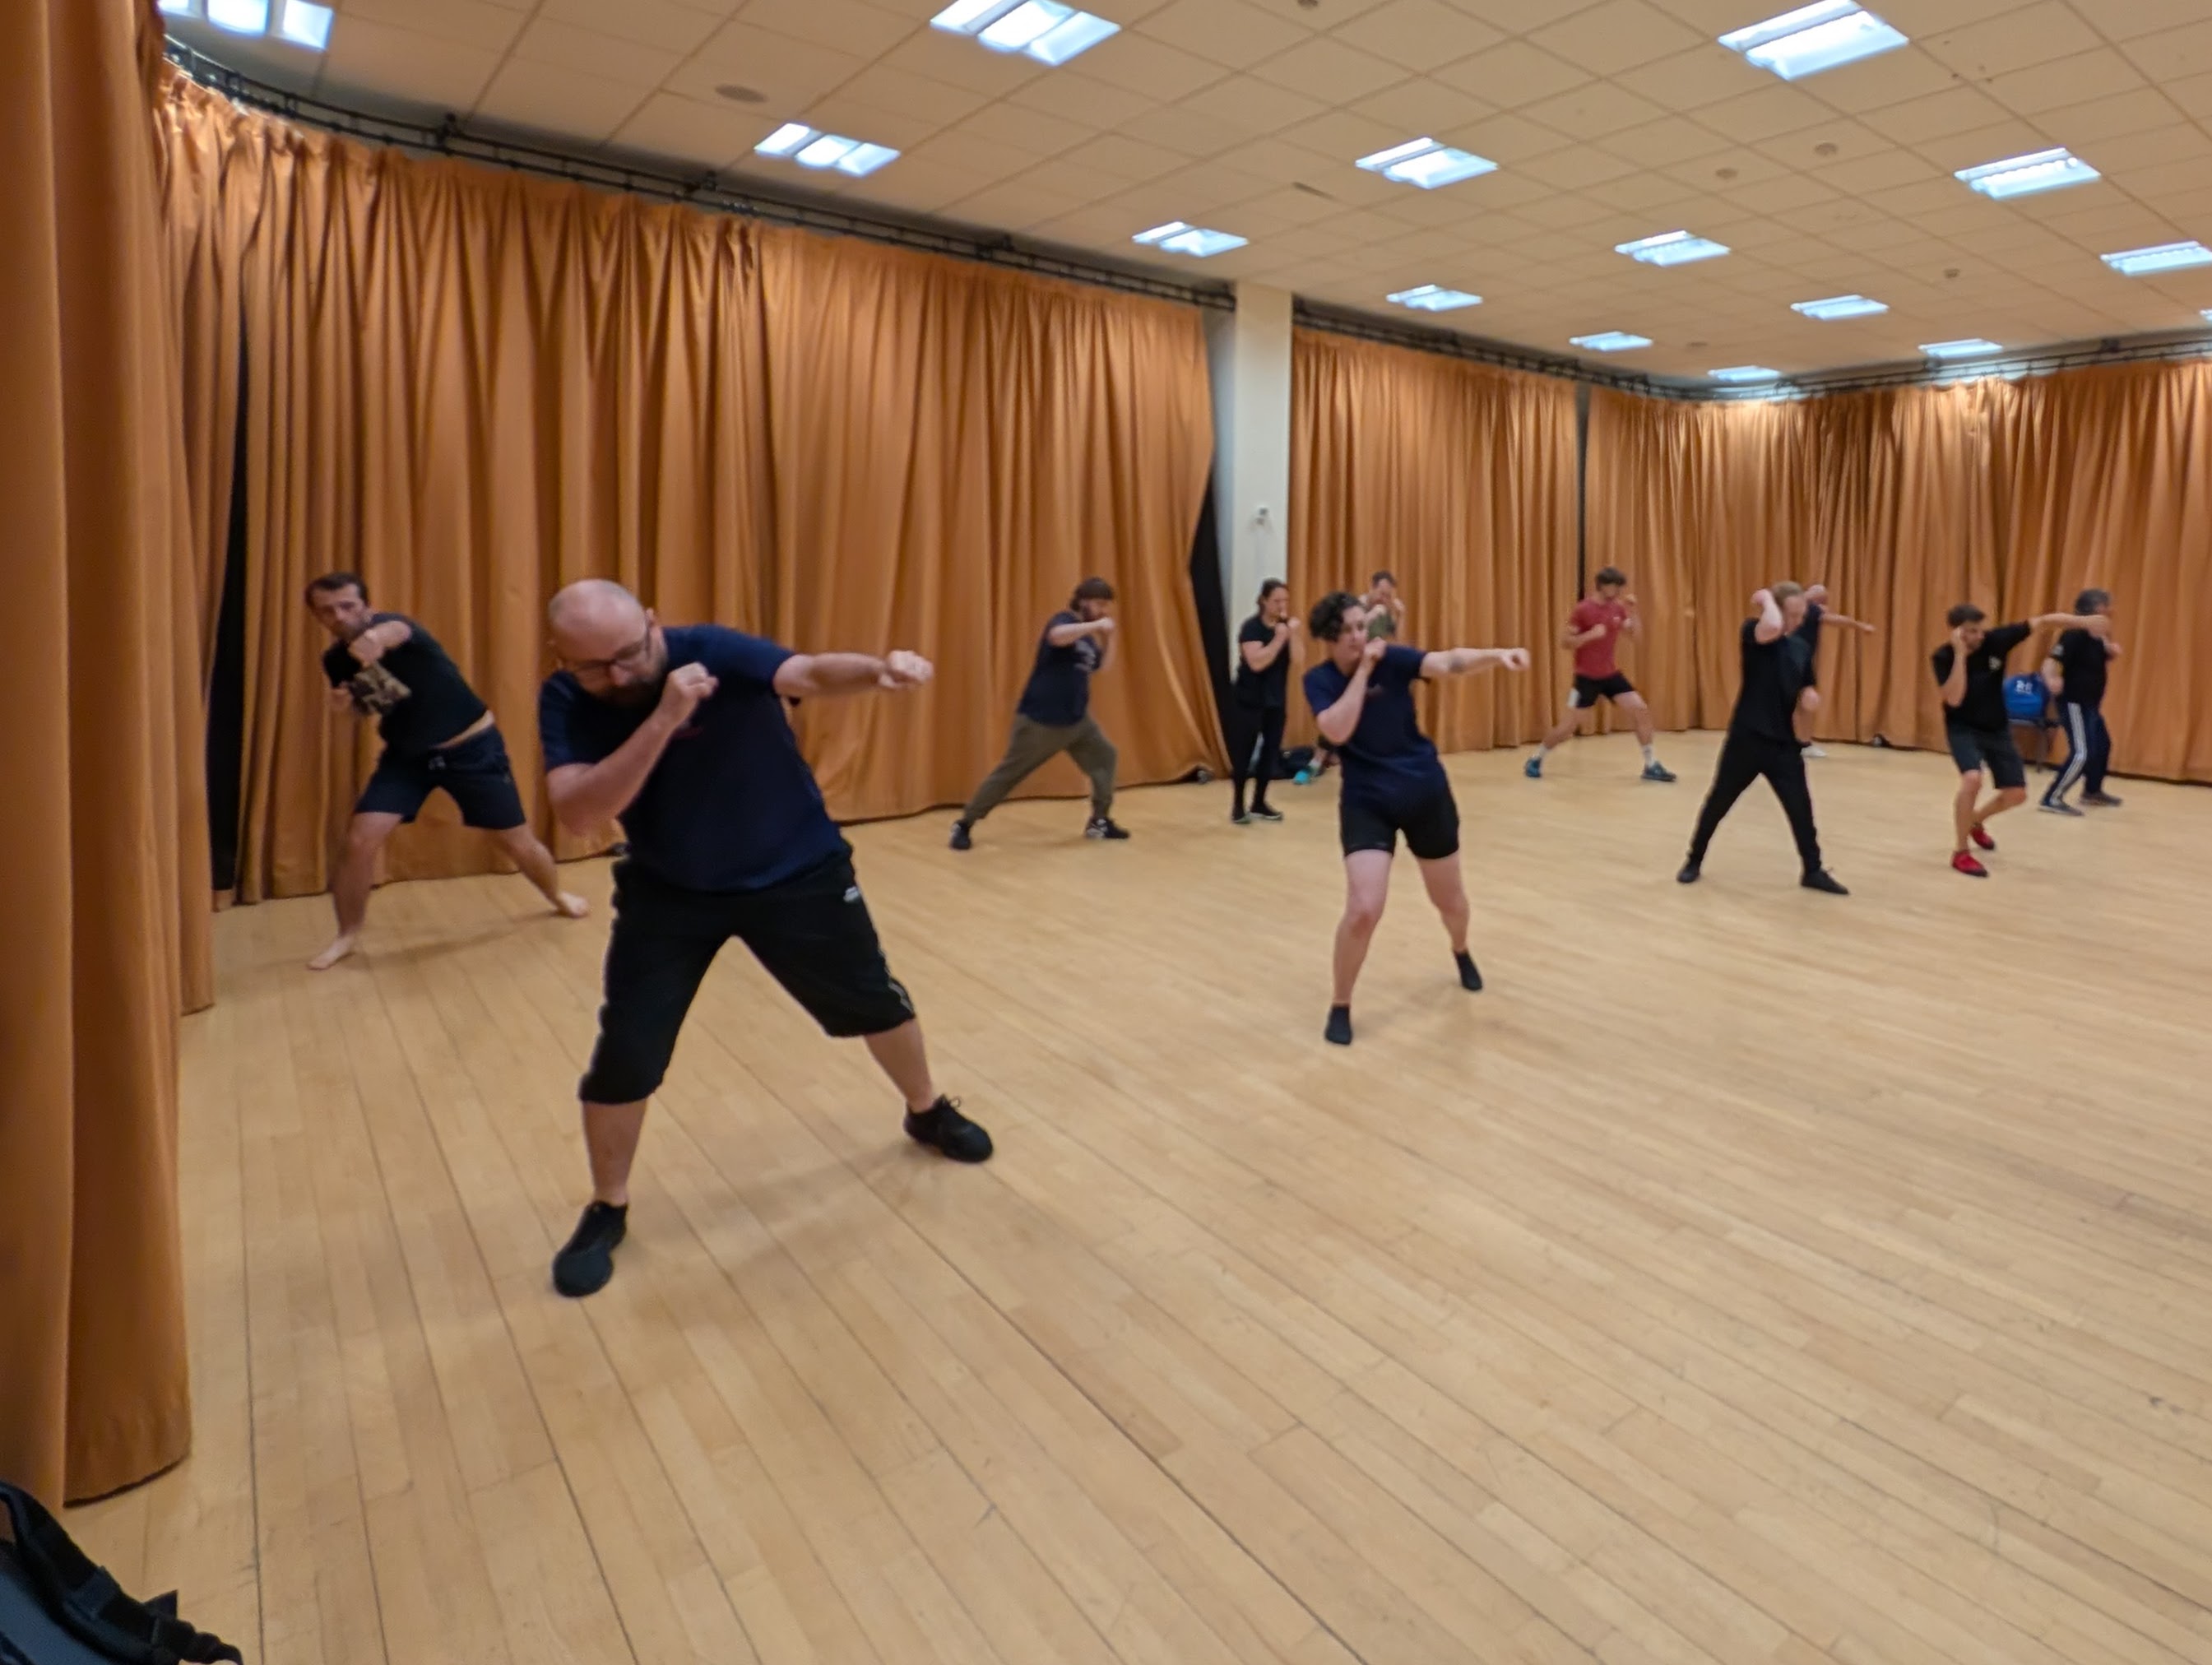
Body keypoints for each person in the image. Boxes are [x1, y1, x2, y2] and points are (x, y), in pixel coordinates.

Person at [536, 580, 991, 1299]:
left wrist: (877, 669)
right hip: (669, 891)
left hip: (795, 870)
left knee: (873, 1000)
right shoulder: (567, 700)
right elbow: (580, 814)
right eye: (594, 666)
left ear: (653, 623)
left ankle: (926, 1108)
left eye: (630, 653)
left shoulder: (710, 650)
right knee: (627, 1051)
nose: (618, 676)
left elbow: (807, 673)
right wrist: (663, 718)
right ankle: (607, 1206)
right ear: (561, 657)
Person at [305, 571, 585, 971]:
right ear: (317, 616)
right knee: (359, 840)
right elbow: (372, 703)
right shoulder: (336, 660)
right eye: (328, 611)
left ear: (366, 605)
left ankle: (557, 897)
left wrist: (375, 639)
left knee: (515, 841)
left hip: (473, 751)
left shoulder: (397, 628)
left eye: (348, 606)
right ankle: (347, 934)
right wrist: (345, 707)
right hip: (407, 759)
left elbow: (394, 632)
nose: (340, 616)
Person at [1302, 590, 1528, 1047]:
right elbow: (1337, 730)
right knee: (1363, 909)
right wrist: (1362, 672)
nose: (1357, 637)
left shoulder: (1394, 659)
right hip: (1367, 801)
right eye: (1345, 632)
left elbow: (1448, 663)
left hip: (1424, 791)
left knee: (1451, 903)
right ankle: (1341, 1003)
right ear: (1329, 639)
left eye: (1360, 627)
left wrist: (1497, 654)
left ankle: (1460, 949)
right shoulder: (1320, 681)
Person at [1679, 584, 1850, 894]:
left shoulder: (1800, 648)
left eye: (1801, 616)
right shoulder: (1753, 632)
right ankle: (1694, 860)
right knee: (1719, 801)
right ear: (1777, 610)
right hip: (1746, 739)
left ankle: (1812, 871)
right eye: (1792, 614)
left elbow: (1806, 685)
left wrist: (1809, 696)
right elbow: (1771, 626)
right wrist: (1766, 598)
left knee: (1801, 808)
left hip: (1783, 745)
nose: (1798, 621)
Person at [1932, 601, 2110, 875]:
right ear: (1957, 632)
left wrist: (2083, 622)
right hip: (1963, 728)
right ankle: (1961, 852)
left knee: (2017, 794)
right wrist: (1960, 655)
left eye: (1980, 630)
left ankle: (1975, 822)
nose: (1979, 636)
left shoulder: (1996, 640)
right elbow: (1954, 699)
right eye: (1971, 631)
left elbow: (2044, 621)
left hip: (1996, 727)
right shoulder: (1943, 657)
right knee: (1972, 779)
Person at [951, 577, 1129, 848]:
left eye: (1106, 606)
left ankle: (1099, 821)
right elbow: (1056, 637)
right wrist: (1095, 626)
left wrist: (1110, 638)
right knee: (1009, 774)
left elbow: (1102, 667)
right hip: (1041, 722)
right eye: (1098, 604)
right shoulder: (1063, 621)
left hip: (1077, 721)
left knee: (1106, 757)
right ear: (1083, 601)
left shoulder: (1088, 640)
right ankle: (965, 823)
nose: (1103, 610)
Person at [1523, 565, 1674, 782]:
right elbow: (1565, 642)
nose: (1618, 592)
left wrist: (1633, 612)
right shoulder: (1583, 610)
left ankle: (1651, 765)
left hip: (1610, 675)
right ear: (1603, 586)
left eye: (1620, 588)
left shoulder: (1617, 608)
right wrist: (1590, 636)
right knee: (1567, 728)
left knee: (1641, 710)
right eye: (1614, 587)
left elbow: (1635, 637)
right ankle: (1536, 759)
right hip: (1586, 678)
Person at [2040, 587, 2124, 815]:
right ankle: (2052, 798)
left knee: (2102, 745)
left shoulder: (2098, 637)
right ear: (2097, 609)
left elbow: (2093, 661)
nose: (2111, 611)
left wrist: (2110, 652)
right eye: (2107, 607)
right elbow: (2051, 660)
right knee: (2082, 752)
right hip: (2074, 703)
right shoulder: (2074, 634)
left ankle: (2092, 791)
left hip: (2091, 704)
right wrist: (2051, 678)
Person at [1229, 580, 1296, 824]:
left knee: (1270, 753)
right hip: (1249, 699)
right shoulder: (1252, 627)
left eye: (1285, 601)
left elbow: (1299, 658)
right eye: (1277, 601)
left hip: (1275, 700)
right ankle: (1238, 805)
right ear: (1264, 601)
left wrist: (1293, 635)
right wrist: (1279, 640)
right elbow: (1257, 663)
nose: (1281, 605)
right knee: (1244, 753)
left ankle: (1259, 802)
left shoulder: (1284, 628)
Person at [1793, 584, 1877, 758]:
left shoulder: (1797, 608)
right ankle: (1802, 743)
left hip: (1798, 660)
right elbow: (1836, 620)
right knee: (1802, 703)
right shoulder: (1808, 608)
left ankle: (1799, 743)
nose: (1825, 604)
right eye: (1823, 599)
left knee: (1800, 702)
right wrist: (1861, 626)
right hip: (1797, 661)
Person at [1362, 571, 1407, 640]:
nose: (1384, 600)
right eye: (1382, 594)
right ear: (1372, 588)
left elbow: (1399, 639)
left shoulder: (1384, 611)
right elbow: (1357, 629)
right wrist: (1373, 614)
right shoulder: (1358, 605)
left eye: (1388, 596)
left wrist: (1401, 615)